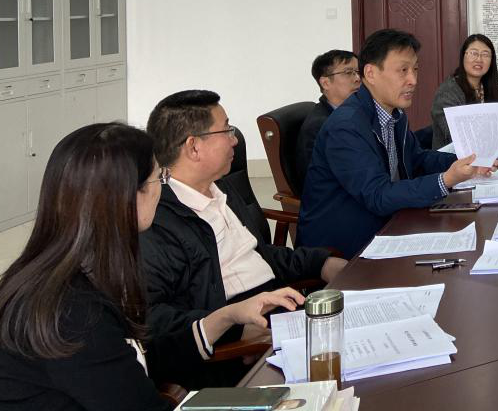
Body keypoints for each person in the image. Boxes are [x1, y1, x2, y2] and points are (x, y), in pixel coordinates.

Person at [0, 123, 298, 410]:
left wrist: (226, 317)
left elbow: (135, 356)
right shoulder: (72, 310)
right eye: (159, 177)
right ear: (127, 197)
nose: (163, 187)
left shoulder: (73, 272)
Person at [141, 91, 345, 388]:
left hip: (281, 313)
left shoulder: (221, 188)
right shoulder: (158, 219)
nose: (235, 139)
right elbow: (155, 320)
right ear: (193, 147)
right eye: (226, 130)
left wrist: (323, 263)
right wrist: (236, 330)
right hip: (241, 345)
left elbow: (260, 255)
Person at [297, 29, 493, 257]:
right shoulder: (346, 126)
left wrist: (468, 160)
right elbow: (377, 195)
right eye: (403, 70)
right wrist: (446, 179)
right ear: (370, 73)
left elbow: (417, 159)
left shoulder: (393, 113)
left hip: (387, 223)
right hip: (342, 246)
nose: (413, 80)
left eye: (415, 69)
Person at [294, 49, 359, 193]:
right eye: (348, 72)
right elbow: (319, 183)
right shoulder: (320, 126)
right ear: (325, 83)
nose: (357, 78)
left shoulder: (354, 113)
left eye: (358, 72)